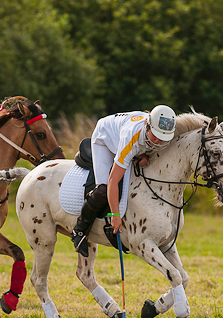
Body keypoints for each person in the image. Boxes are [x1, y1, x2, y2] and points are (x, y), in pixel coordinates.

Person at [71, 105, 177, 257]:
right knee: (102, 190)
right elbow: (113, 180)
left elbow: (152, 143)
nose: (158, 141)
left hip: (123, 133)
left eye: (162, 137)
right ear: (148, 126)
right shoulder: (131, 138)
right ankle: (79, 230)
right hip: (105, 138)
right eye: (155, 136)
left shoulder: (158, 135)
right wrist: (115, 215)